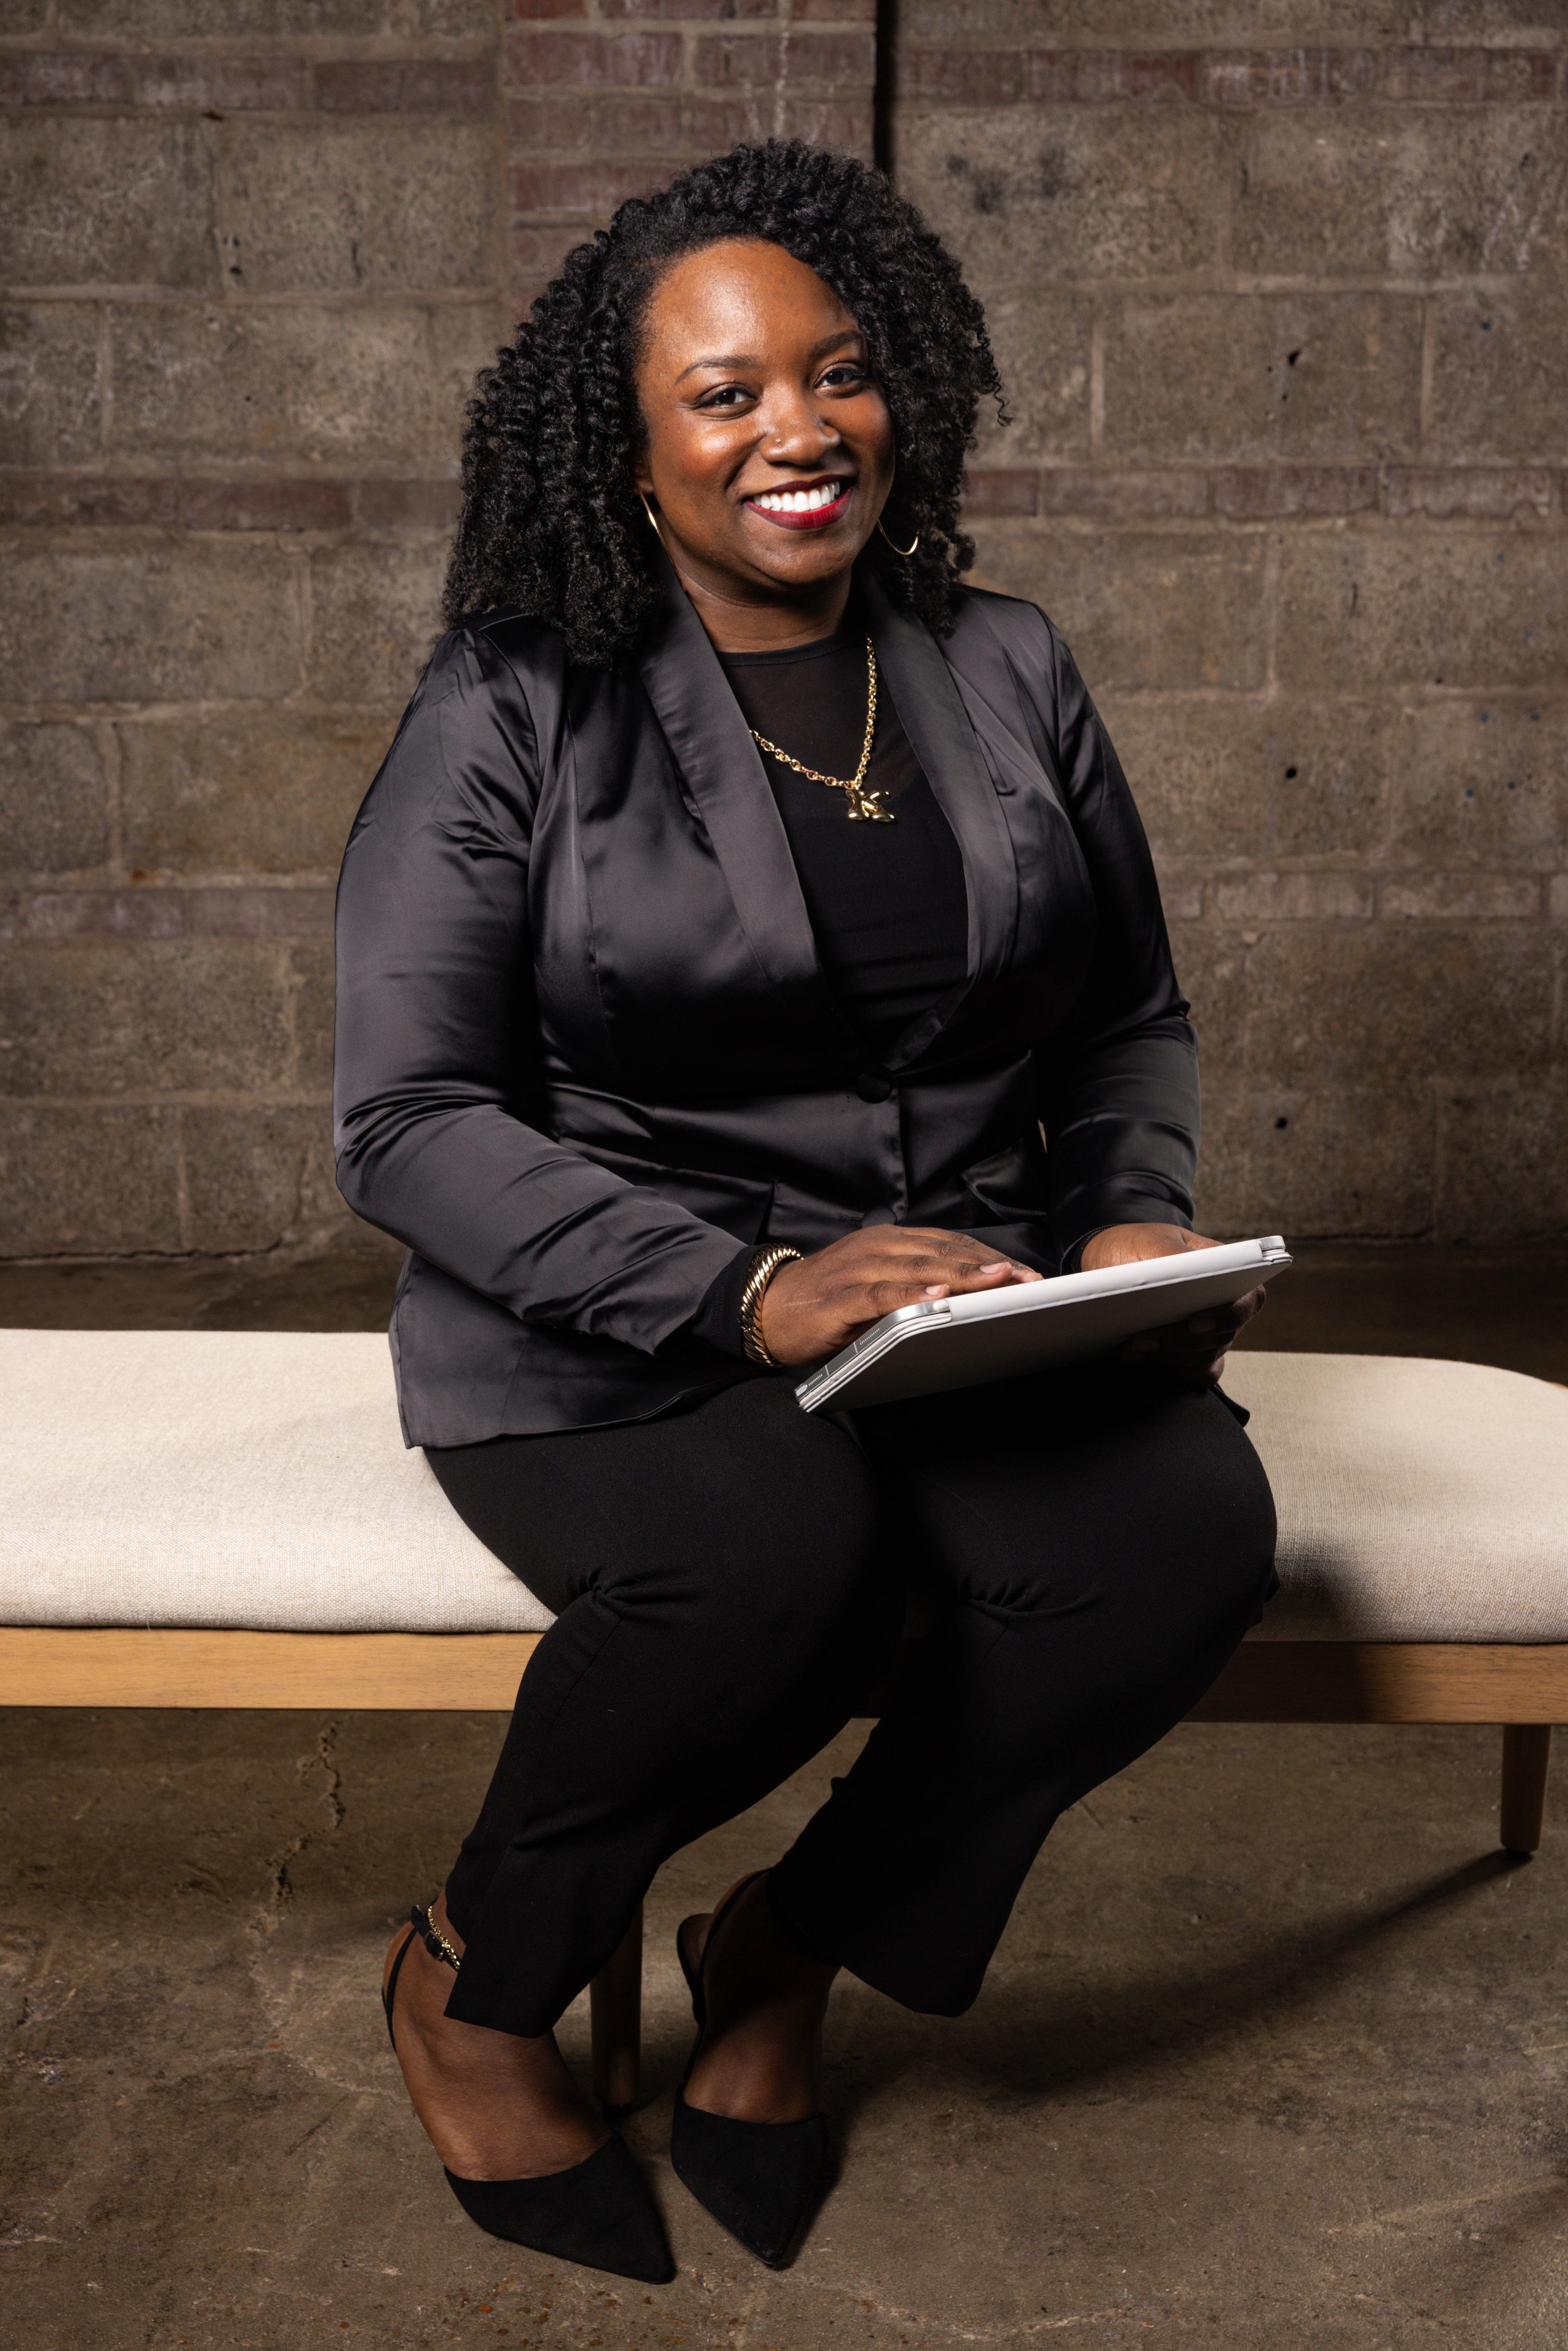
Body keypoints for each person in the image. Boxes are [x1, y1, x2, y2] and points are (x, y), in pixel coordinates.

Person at [334, 139, 1276, 2287]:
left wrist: (1132, 1222)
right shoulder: (510, 706)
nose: (798, 431)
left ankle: (783, 1946)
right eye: (728, 393)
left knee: (1179, 1546)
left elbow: (1124, 1014)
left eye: (836, 376)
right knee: (780, 1564)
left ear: (898, 394)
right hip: (613, 1315)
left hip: (961, 1294)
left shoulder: (1007, 666)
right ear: (630, 443)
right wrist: (744, 1287)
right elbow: (402, 1119)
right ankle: (480, 1977)